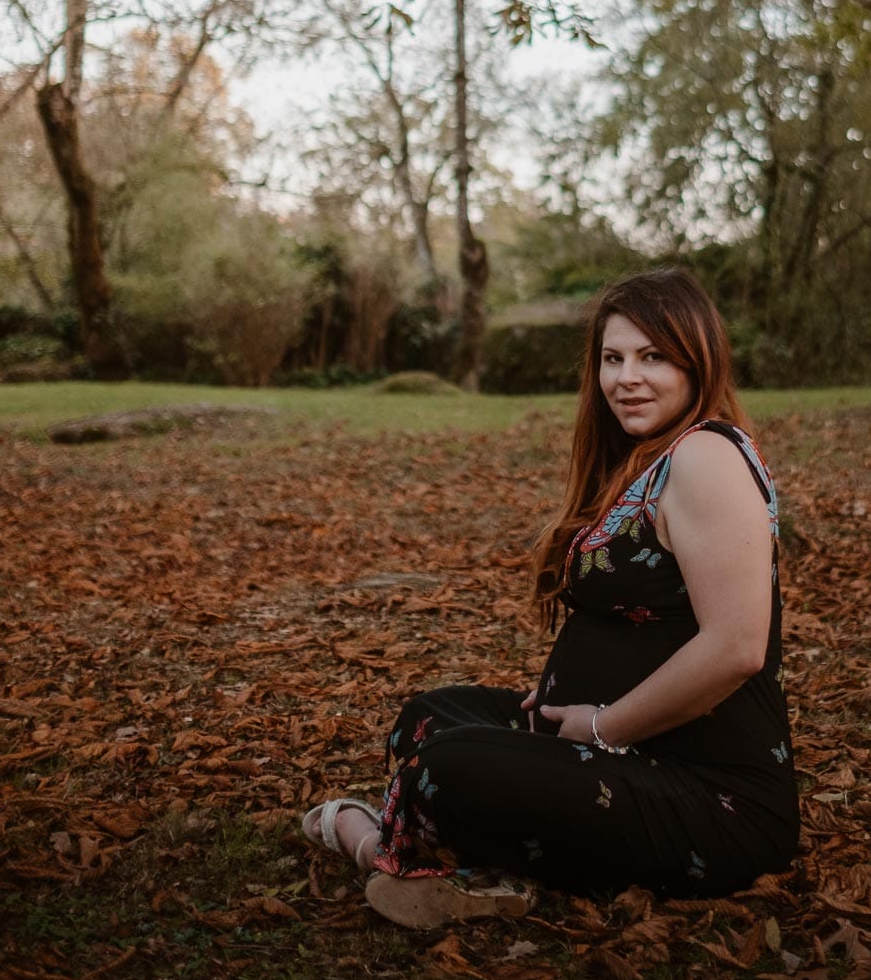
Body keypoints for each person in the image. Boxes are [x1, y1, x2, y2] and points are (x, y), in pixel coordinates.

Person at [302, 268, 799, 928]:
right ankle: (433, 850)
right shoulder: (649, 459)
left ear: (697, 359)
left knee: (445, 769)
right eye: (613, 358)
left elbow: (736, 649)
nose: (628, 377)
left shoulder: (705, 457)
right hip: (627, 752)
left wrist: (603, 726)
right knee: (428, 716)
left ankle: (376, 845)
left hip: (712, 798)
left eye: (653, 357)